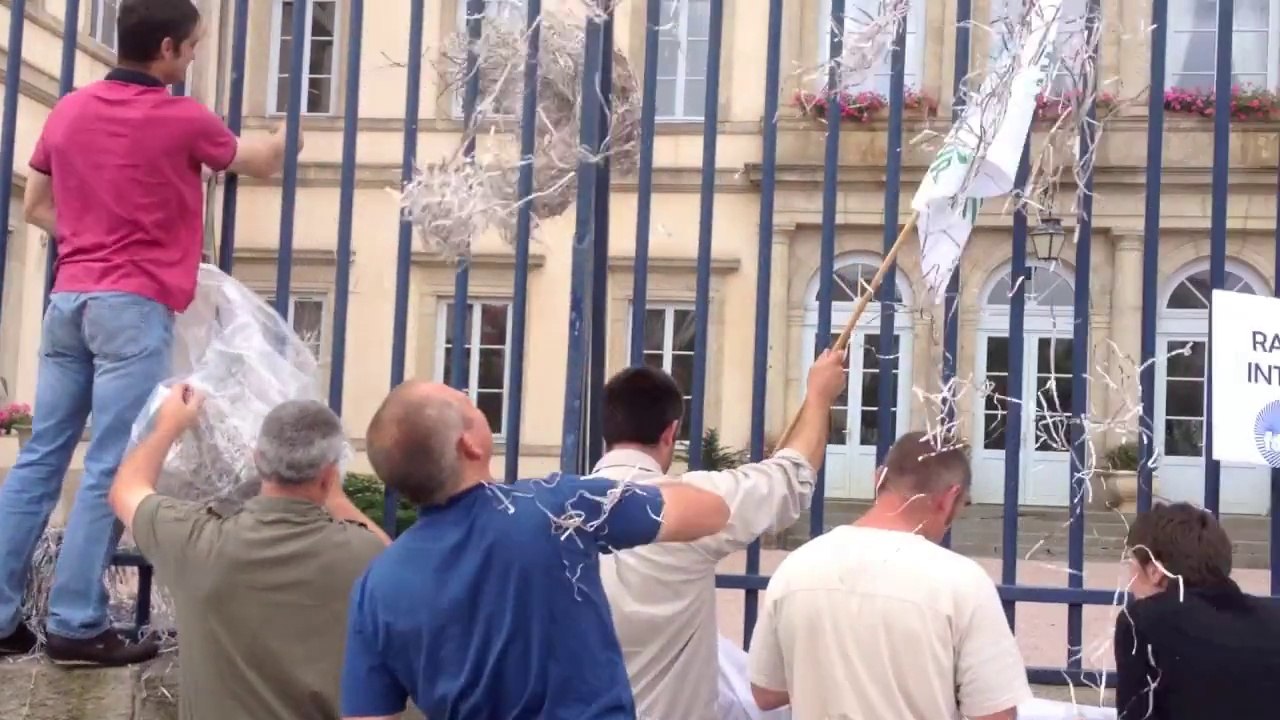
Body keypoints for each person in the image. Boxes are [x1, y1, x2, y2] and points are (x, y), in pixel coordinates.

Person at [0, 0, 295, 665]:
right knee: (116, 462)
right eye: (191, 49)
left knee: (42, 455)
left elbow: (36, 205)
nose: (192, 59)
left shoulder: (69, 110)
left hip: (69, 298)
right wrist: (286, 133)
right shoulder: (180, 116)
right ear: (165, 48)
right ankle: (77, 623)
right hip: (132, 306)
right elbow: (261, 161)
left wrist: (94, 239)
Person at [339, 380, 733, 720]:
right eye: (467, 404)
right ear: (471, 444)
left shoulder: (375, 586)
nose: (470, 399)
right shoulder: (555, 507)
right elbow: (710, 512)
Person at [589, 349, 846, 720]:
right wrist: (819, 397)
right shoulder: (691, 507)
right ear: (671, 432)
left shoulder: (555, 511)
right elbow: (791, 476)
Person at [109, 386, 389, 720]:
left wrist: (170, 424)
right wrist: (337, 499)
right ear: (329, 476)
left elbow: (125, 490)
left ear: (257, 459)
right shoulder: (362, 554)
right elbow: (400, 566)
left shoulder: (197, 542)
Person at [747, 431, 1032, 720]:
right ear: (950, 497)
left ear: (878, 478)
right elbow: (995, 715)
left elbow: (766, 692)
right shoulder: (964, 583)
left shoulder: (796, 568)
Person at [1114, 502, 1280, 719]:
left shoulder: (1143, 621)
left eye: (1131, 563)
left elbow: (1135, 713)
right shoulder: (1272, 618)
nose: (1130, 578)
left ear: (1154, 571)